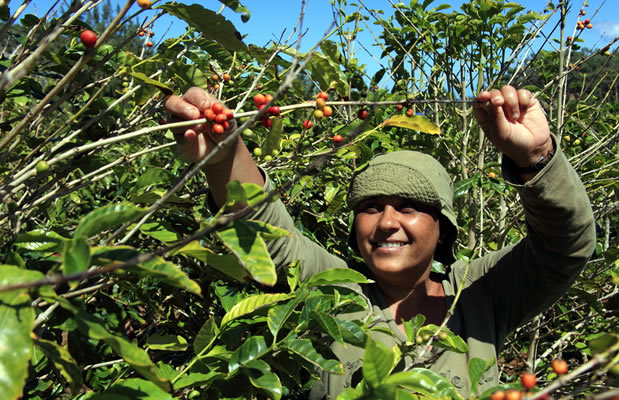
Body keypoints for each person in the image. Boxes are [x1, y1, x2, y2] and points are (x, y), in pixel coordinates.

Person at [164, 85, 596, 397]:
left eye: (408, 207)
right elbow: (267, 236)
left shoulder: (479, 294)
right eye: (370, 208)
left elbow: (565, 245)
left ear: (442, 227)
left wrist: (535, 158)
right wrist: (226, 158)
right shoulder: (334, 289)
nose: (387, 222)